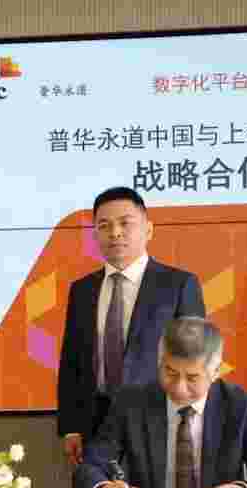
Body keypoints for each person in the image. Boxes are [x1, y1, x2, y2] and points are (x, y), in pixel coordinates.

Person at [74, 317, 247, 488]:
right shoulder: (131, 402)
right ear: (159, 362)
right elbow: (89, 468)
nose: (179, 387)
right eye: (170, 372)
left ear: (216, 371)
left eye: (192, 378)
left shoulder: (242, 407)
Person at [58, 186, 206, 465]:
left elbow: (195, 358)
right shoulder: (82, 290)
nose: (115, 233)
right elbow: (71, 361)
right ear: (95, 235)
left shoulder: (178, 285)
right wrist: (71, 426)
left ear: (148, 230)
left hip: (158, 419)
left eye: (125, 223)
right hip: (95, 423)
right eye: (104, 225)